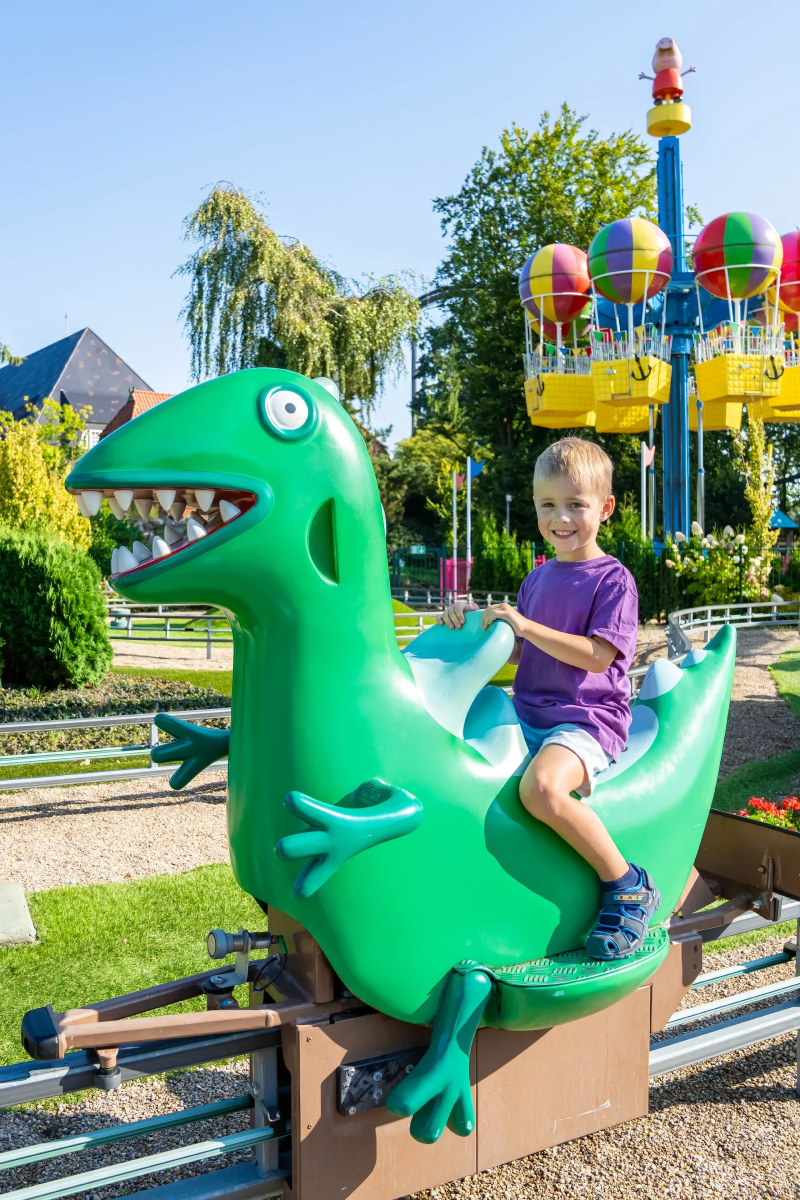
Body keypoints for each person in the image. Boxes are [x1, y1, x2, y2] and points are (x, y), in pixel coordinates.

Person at [439, 438, 659, 960]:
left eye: (575, 505)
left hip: (585, 721)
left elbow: (596, 657)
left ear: (604, 508)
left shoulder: (613, 580)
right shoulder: (537, 578)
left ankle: (627, 884)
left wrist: (526, 625)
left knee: (541, 790)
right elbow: (522, 655)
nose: (561, 518)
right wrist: (473, 626)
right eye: (548, 505)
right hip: (529, 711)